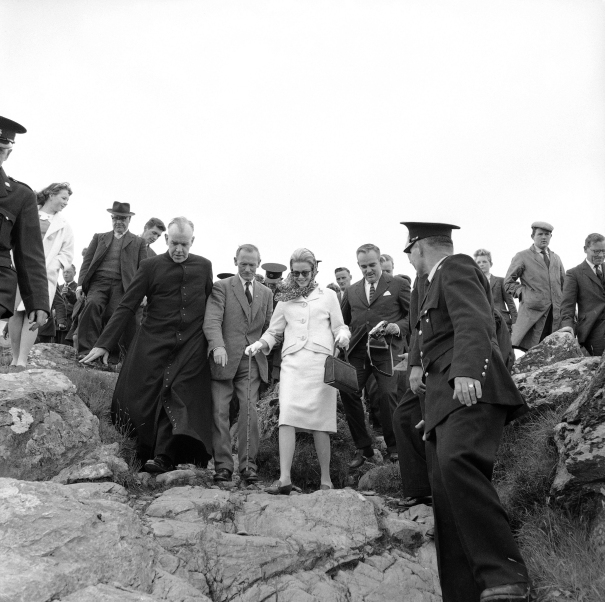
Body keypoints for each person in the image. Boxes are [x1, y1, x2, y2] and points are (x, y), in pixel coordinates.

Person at [404, 221, 531, 602]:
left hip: (471, 386)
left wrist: (466, 372)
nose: (409, 259)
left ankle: (505, 575)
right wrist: (433, 399)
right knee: (444, 492)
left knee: (459, 462)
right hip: (446, 396)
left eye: (409, 251)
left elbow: (474, 320)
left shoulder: (455, 266)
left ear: (420, 248)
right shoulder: (429, 284)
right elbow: (429, 340)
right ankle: (465, 592)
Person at [80, 217, 214, 472]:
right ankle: (144, 451)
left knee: (177, 393)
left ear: (192, 242)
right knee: (149, 395)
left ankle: (164, 456)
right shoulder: (150, 266)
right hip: (153, 341)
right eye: (174, 243)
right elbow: (127, 304)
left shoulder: (204, 266)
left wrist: (215, 343)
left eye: (184, 245)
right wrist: (104, 344)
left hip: (190, 345)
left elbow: (212, 305)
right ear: (166, 240)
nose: (179, 250)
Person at [245, 248, 350, 493]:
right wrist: (260, 344)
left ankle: (326, 480)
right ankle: (284, 479)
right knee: (287, 418)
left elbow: (340, 326)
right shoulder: (284, 297)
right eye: (296, 272)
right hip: (292, 363)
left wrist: (343, 336)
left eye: (305, 272)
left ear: (315, 271)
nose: (300, 277)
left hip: (320, 365)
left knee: (321, 422)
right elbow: (274, 331)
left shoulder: (328, 296)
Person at [203, 244, 273, 483]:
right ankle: (223, 465)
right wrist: (217, 346)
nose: (247, 269)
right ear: (235, 261)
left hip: (251, 360)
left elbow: (269, 328)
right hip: (223, 359)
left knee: (248, 409)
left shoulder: (266, 293)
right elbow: (212, 319)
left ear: (259, 263)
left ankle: (248, 465)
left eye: (252, 264)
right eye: (243, 263)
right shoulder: (221, 287)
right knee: (220, 410)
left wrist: (264, 344)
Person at [340, 244, 410, 467]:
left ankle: (395, 448)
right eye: (363, 266)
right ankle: (364, 448)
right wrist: (341, 335)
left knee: (388, 395)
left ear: (380, 261)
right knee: (348, 390)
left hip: (388, 351)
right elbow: (343, 321)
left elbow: (413, 316)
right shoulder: (352, 291)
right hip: (359, 352)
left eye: (372, 265)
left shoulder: (398, 284)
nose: (368, 270)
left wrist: (397, 327)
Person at [9, 182, 74, 368]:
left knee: (34, 313)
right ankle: (14, 358)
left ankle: (23, 359)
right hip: (20, 268)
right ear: (51, 195)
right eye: (63, 198)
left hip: (44, 274)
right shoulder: (27, 213)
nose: (66, 202)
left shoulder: (64, 226)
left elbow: (67, 253)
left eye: (68, 200)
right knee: (15, 312)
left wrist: (53, 265)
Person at [77, 202, 147, 363]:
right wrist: (80, 284)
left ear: (129, 219)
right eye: (115, 218)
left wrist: (144, 293)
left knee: (115, 314)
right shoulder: (99, 237)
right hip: (98, 282)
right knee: (92, 305)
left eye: (122, 218)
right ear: (111, 218)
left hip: (123, 285)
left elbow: (143, 270)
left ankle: (111, 356)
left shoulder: (138, 242)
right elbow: (87, 263)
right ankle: (85, 351)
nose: (118, 222)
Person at [0, 116, 49, 336]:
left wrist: (37, 300)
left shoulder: (21, 196)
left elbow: (29, 253)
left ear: (8, 153)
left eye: (0, 150)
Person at [391, 271, 432, 509]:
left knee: (420, 420)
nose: (410, 257)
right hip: (423, 360)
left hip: (442, 364)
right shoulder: (420, 279)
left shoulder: (445, 276)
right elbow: (419, 327)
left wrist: (419, 361)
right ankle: (419, 489)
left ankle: (431, 488)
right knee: (404, 417)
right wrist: (414, 357)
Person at [504, 222, 565, 351]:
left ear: (551, 236)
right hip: (534, 313)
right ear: (532, 236)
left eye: (547, 234)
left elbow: (564, 285)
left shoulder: (556, 258)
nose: (544, 237)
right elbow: (508, 283)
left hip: (555, 315)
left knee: (554, 352)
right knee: (533, 350)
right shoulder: (522, 256)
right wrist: (524, 293)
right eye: (540, 234)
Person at [559, 233, 605, 356]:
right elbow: (567, 306)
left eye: (603, 251)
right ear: (585, 249)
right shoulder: (574, 274)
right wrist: (568, 329)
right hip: (593, 331)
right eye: (596, 251)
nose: (600, 255)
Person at [474, 249, 517, 334]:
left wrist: (515, 323)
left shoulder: (501, 281)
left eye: (484, 262)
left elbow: (511, 304)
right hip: (482, 324)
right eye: (478, 262)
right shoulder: (473, 283)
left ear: (491, 264)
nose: (481, 264)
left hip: (502, 323)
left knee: (505, 347)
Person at [57, 265, 77, 345]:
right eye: (64, 272)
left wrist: (59, 311)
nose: (65, 274)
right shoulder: (58, 287)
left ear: (74, 273)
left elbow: (75, 305)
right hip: (56, 325)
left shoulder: (78, 288)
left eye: (68, 272)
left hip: (69, 324)